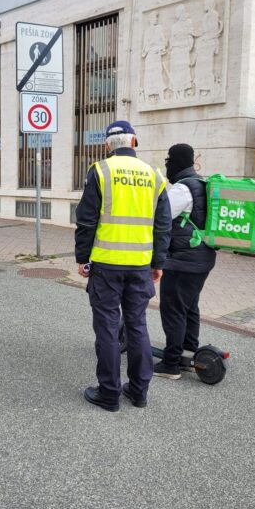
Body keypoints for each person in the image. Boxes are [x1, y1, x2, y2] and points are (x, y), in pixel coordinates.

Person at [75, 120, 172, 411]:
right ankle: (139, 392)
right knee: (137, 326)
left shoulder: (101, 171)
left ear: (108, 145)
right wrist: (158, 263)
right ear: (134, 142)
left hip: (106, 265)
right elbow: (163, 224)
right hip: (140, 265)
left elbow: (86, 220)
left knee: (106, 329)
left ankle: (109, 394)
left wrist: (82, 258)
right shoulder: (154, 175)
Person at [154, 143, 217, 379]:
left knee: (173, 309)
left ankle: (171, 364)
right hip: (202, 258)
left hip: (182, 260)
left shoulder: (182, 189)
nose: (167, 165)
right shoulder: (201, 183)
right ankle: (189, 354)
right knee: (189, 307)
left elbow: (160, 216)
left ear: (177, 162)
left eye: (169, 160)